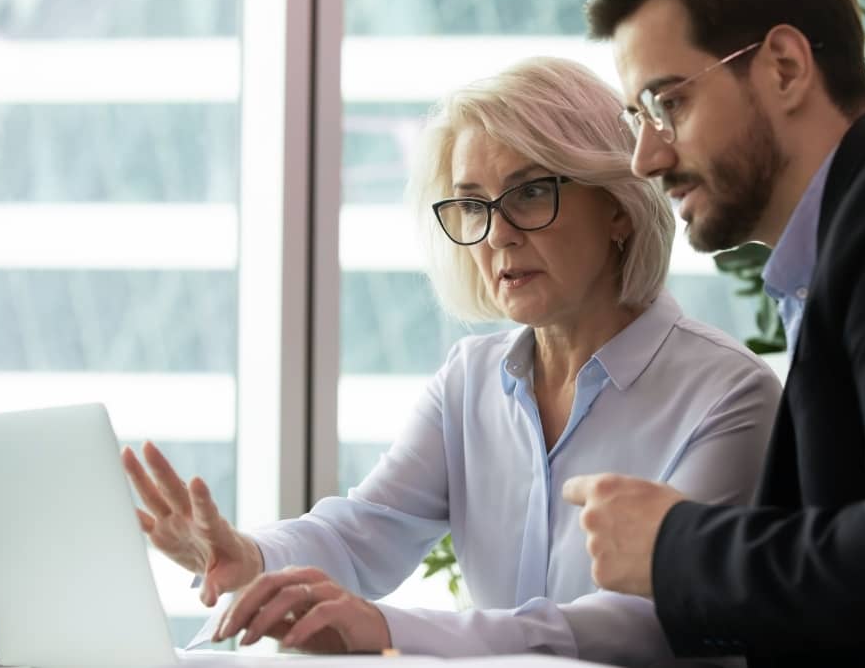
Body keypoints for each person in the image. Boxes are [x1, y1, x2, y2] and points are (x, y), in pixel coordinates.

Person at [122, 56, 781, 666]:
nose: (496, 234)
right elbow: (363, 533)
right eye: (472, 204)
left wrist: (389, 629)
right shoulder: (470, 380)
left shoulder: (729, 395)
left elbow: (649, 621)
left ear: (618, 207)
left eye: (528, 193)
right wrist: (250, 555)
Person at [562, 0, 865, 666]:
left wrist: (673, 547)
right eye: (638, 117)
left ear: (786, 68)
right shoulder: (853, 245)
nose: (646, 157)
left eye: (667, 103)